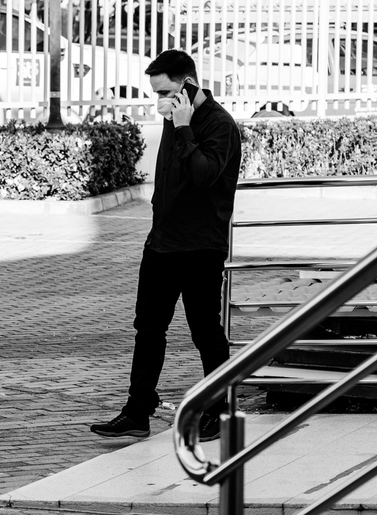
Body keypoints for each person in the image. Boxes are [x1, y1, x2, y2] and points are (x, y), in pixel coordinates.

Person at [91, 49, 241, 442]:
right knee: (148, 329)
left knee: (204, 332)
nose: (158, 100)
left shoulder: (219, 125)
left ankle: (219, 410)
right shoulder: (175, 119)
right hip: (162, 244)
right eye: (155, 93)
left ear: (188, 86)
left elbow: (205, 175)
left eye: (165, 92)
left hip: (200, 247)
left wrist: (186, 127)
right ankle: (138, 411)